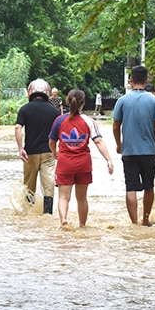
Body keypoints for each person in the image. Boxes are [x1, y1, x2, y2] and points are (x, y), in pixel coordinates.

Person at [112, 65, 155, 226]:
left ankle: (134, 223)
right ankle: (145, 220)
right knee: (148, 187)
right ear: (146, 80)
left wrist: (119, 144)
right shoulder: (154, 101)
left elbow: (116, 126)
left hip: (129, 151)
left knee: (130, 187)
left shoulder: (122, 101)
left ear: (131, 80)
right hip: (149, 152)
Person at [49, 89, 114, 227]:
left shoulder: (59, 120)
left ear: (67, 101)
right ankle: (82, 225)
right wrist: (108, 159)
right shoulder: (89, 121)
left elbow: (51, 141)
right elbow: (98, 141)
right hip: (83, 164)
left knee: (63, 197)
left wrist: (55, 153)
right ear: (83, 103)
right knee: (82, 198)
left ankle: (63, 221)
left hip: (65, 163)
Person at [15, 79, 60, 214]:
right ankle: (47, 213)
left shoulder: (24, 109)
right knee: (48, 185)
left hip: (30, 153)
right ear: (47, 93)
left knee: (29, 186)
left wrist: (20, 148)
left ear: (30, 92)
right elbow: (61, 132)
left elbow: (18, 128)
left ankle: (29, 213)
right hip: (48, 153)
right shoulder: (54, 112)